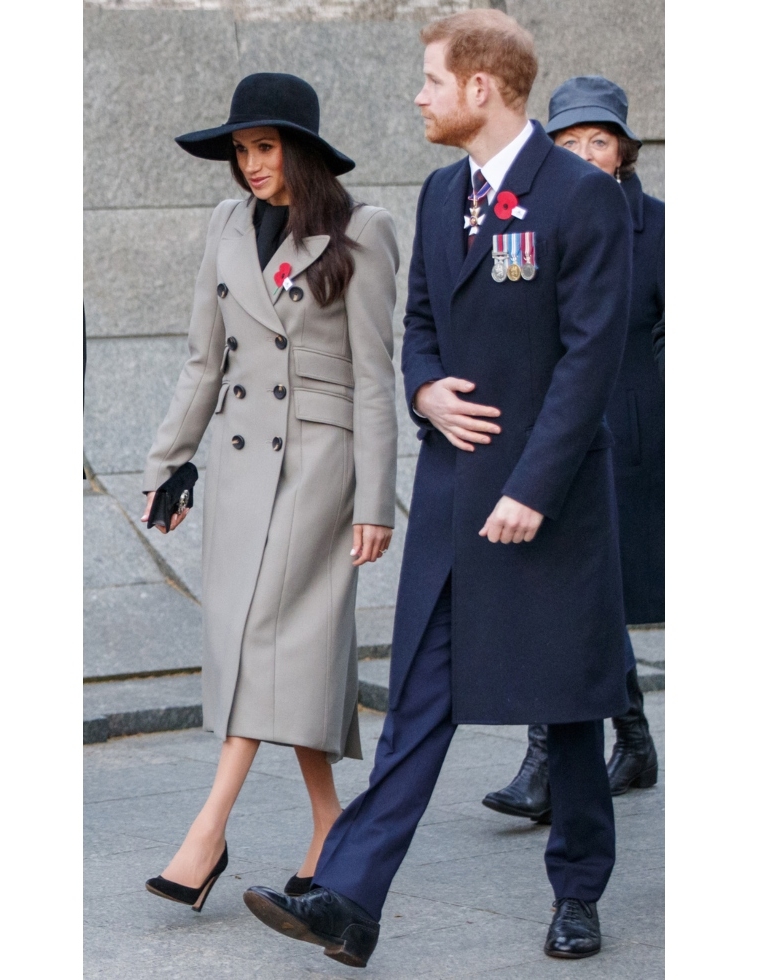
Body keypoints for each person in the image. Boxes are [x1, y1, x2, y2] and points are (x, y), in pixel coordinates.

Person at [243, 11, 633, 964]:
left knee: (571, 702)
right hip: (458, 495)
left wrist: (535, 487)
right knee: (420, 695)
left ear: (482, 89)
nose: (418, 96)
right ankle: (351, 897)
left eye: (430, 80)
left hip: (551, 504)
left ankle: (578, 891)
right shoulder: (435, 193)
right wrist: (424, 387)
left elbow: (592, 361)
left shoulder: (583, 199)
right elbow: (419, 324)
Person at [140, 72, 399, 912]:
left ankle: (205, 834)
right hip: (244, 463)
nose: (250, 165)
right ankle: (330, 827)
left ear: (303, 150)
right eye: (241, 150)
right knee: (274, 650)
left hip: (321, 465)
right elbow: (202, 360)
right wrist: (170, 463)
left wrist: (374, 502)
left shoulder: (362, 230)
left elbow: (374, 379)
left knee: (261, 638)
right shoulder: (225, 223)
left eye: (265, 147)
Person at [483, 76, 664, 824]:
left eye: (600, 139)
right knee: (570, 593)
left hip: (630, 440)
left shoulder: (660, 228)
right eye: (569, 142)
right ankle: (622, 738)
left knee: (593, 596)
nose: (587, 154)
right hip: (552, 438)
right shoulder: (528, 222)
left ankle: (554, 760)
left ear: (624, 150)